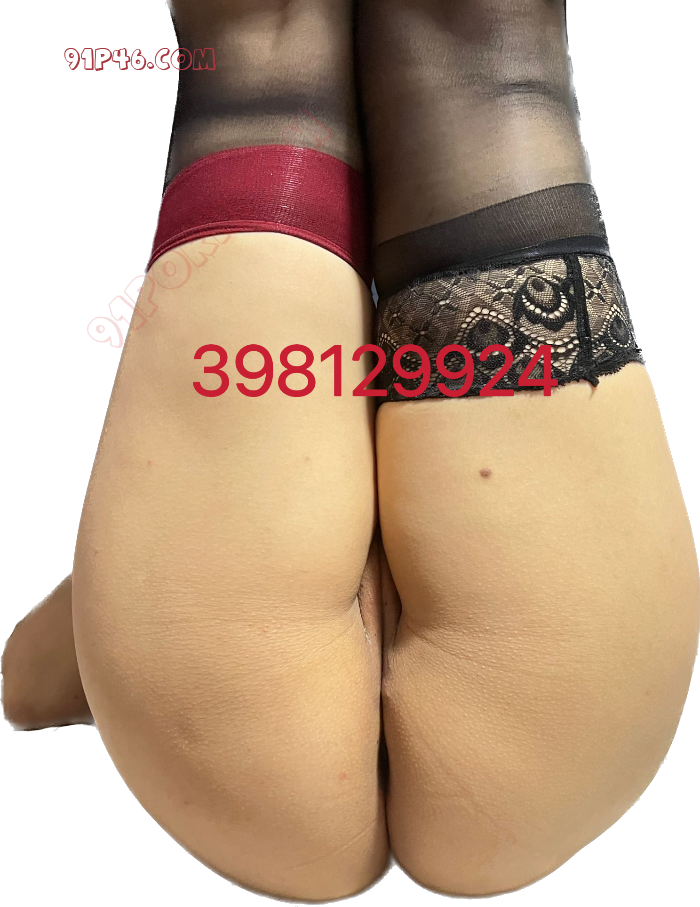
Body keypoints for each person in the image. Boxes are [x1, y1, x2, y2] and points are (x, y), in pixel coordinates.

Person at [3, 1, 698, 900]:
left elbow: (27, 685)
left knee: (267, 60)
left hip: (240, 770)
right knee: (481, 69)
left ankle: (275, 80)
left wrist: (83, 643)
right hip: (563, 748)